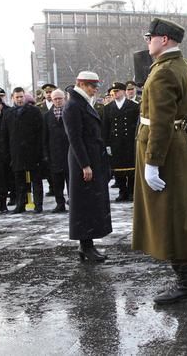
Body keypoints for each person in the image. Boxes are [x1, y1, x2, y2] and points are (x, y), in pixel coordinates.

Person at [132, 18, 187, 305]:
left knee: (170, 215)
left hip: (164, 149)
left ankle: (186, 285)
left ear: (164, 40)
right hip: (172, 145)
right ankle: (185, 281)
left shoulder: (163, 73)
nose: (147, 41)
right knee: (175, 212)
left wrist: (152, 161)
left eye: (150, 36)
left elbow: (160, 122)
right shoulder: (178, 66)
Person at [62, 71, 112, 262]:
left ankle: (88, 245)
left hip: (91, 159)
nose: (94, 89)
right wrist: (85, 165)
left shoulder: (81, 103)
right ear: (81, 84)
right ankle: (85, 245)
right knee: (84, 205)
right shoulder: (73, 105)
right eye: (91, 86)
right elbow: (75, 138)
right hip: (83, 161)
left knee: (90, 204)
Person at [2, 87, 44, 213]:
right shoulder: (8, 113)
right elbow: (5, 135)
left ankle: (38, 204)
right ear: (12, 98)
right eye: (17, 97)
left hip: (33, 151)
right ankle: (21, 204)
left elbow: (40, 132)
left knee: (36, 180)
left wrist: (40, 151)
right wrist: (7, 153)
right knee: (19, 180)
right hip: (16, 152)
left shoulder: (34, 111)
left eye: (21, 96)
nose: (20, 99)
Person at [102, 82, 140, 202]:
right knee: (118, 169)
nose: (115, 94)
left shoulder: (133, 106)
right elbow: (105, 127)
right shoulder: (108, 108)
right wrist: (106, 143)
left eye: (117, 91)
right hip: (115, 142)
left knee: (131, 169)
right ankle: (122, 191)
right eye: (113, 92)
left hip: (129, 142)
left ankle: (131, 192)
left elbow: (137, 125)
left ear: (123, 91)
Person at [43, 89, 69, 213]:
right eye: (55, 99)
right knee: (57, 182)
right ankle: (60, 203)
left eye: (60, 98)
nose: (58, 101)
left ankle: (73, 203)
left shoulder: (70, 113)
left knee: (71, 182)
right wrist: (46, 154)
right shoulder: (47, 116)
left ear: (64, 99)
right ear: (52, 100)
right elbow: (44, 136)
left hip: (69, 153)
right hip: (54, 154)